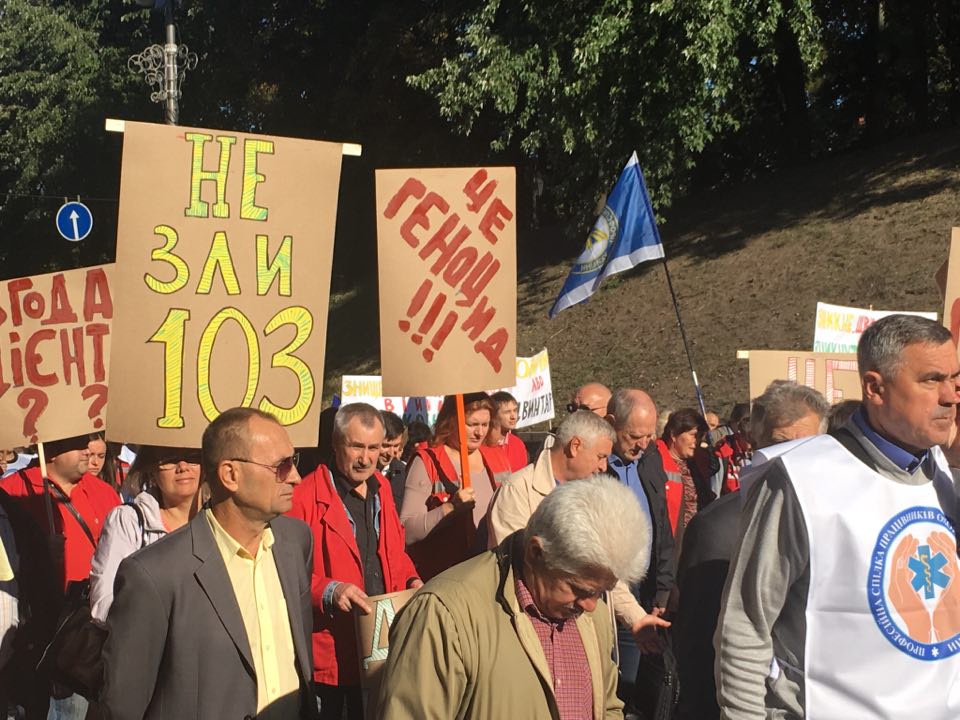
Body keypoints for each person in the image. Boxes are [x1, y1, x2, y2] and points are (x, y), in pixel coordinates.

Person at [716, 315, 960, 719]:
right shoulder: (800, 479)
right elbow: (745, 625)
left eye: (954, 378)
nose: (951, 396)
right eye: (932, 380)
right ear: (875, 388)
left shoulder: (946, 472)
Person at [100, 407, 317, 720]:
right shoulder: (154, 574)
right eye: (281, 466)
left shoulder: (296, 542)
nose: (295, 477)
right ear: (230, 475)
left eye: (293, 462)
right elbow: (123, 706)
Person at [376, 476, 649, 719]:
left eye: (601, 592)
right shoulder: (444, 614)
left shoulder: (591, 614)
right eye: (579, 589)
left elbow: (607, 707)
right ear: (536, 553)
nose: (590, 606)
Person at [674, 381, 828, 720]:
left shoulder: (839, 519)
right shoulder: (717, 527)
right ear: (754, 442)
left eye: (808, 447)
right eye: (782, 445)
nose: (793, 461)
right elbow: (700, 643)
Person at [287, 403, 422, 720]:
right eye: (356, 446)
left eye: (374, 448)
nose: (366, 458)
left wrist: (412, 580)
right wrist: (329, 591)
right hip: (331, 654)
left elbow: (394, 553)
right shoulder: (303, 497)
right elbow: (283, 574)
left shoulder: (382, 489)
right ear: (336, 444)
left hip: (381, 646)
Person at [0, 434, 120, 720]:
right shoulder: (13, 490)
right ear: (51, 451)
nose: (87, 451)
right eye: (77, 445)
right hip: (29, 631)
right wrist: (38, 551)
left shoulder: (103, 492)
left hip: (82, 634)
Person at [603, 388, 676, 707]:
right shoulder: (595, 466)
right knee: (618, 684)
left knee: (647, 687)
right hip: (609, 592)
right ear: (611, 424)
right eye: (634, 436)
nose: (643, 444)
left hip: (648, 592)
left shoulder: (650, 458)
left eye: (649, 436)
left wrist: (663, 588)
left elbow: (662, 524)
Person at [400, 392, 509, 580]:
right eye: (472, 424)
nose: (479, 432)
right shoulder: (428, 461)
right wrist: (450, 508)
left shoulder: (498, 457)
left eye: (485, 424)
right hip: (447, 578)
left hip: (492, 574)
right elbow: (406, 531)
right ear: (451, 421)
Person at [89, 446, 202, 623]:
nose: (183, 466)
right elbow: (104, 602)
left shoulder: (222, 522)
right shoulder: (128, 521)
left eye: (193, 457)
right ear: (151, 468)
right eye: (169, 459)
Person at [487, 410, 615, 546]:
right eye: (601, 457)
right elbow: (513, 554)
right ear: (575, 446)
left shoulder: (595, 490)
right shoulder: (517, 490)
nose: (603, 467)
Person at [654, 408, 710, 538]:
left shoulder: (696, 464)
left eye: (699, 436)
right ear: (674, 435)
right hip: (672, 540)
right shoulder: (655, 462)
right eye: (693, 435)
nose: (697, 441)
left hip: (697, 538)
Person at [714, 402, 753, 494]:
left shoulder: (759, 453)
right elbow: (715, 492)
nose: (751, 445)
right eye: (748, 439)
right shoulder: (723, 452)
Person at [485, 391, 529, 471]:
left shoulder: (518, 444)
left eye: (515, 410)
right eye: (507, 412)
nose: (513, 416)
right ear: (494, 415)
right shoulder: (482, 445)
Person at [378, 410, 408, 509]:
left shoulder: (405, 473)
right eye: (386, 446)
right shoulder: (359, 474)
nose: (391, 453)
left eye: (396, 446)